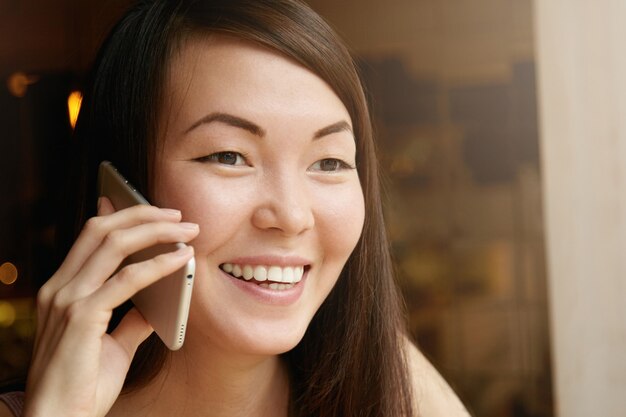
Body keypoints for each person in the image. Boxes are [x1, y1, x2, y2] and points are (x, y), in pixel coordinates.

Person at [0, 0, 470, 416]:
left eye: (329, 161)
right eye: (228, 156)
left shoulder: (389, 393)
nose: (291, 216)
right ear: (123, 189)